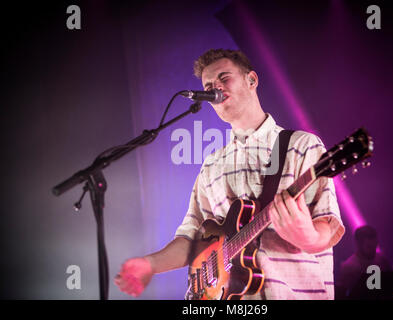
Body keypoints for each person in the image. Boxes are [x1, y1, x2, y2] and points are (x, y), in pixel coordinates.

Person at [114, 49, 345, 299]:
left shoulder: (301, 145)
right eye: (209, 85)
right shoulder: (211, 165)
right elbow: (191, 240)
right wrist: (150, 264)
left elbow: (327, 225)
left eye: (225, 78)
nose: (217, 88)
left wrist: (308, 237)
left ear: (252, 80)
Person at [337, 225, 391, 298]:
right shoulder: (349, 266)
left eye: (371, 237)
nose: (368, 242)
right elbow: (341, 294)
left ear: (377, 241)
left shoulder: (383, 261)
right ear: (357, 243)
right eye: (363, 239)